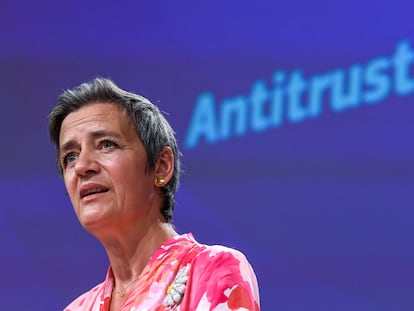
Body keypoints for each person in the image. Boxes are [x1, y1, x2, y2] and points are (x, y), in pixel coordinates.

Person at [48, 78, 260, 311]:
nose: (82, 166)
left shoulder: (213, 270)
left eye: (106, 144)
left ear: (161, 166)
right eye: (70, 157)